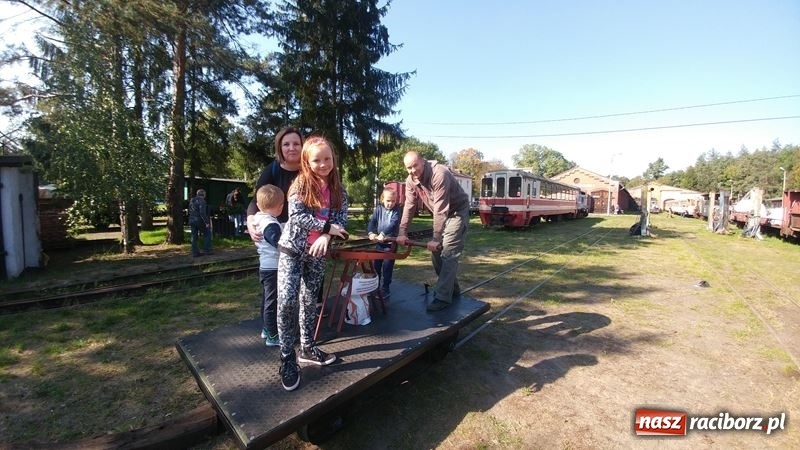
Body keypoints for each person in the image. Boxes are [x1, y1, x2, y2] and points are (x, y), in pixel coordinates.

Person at [276, 136, 348, 391]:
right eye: (316, 160)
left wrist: (327, 236)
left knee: (309, 301)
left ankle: (306, 347)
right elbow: (297, 217)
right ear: (307, 161)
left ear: (333, 159)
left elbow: (342, 221)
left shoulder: (339, 189)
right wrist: (328, 227)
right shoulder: (300, 186)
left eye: (327, 159)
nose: (323, 164)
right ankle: (286, 357)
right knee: (287, 301)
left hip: (317, 253)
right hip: (293, 251)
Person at [396, 151, 469, 312]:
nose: (413, 170)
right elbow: (409, 206)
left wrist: (436, 237)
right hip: (442, 214)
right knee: (436, 254)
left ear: (423, 161)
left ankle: (442, 297)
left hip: (456, 213)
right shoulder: (410, 181)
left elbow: (441, 209)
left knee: (448, 253)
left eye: (415, 165)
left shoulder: (439, 174)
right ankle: (453, 290)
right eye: (409, 168)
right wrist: (402, 232)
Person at [252, 184, 285, 347]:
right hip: (274, 267)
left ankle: (266, 328)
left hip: (265, 266)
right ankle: (272, 335)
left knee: (267, 299)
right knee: (273, 302)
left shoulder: (260, 217)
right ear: (280, 207)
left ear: (259, 205)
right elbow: (275, 238)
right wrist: (288, 248)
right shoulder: (270, 224)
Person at [367, 187, 401, 299]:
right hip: (380, 243)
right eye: (388, 200)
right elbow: (372, 222)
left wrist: (383, 233)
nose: (390, 203)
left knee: (387, 267)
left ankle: (386, 288)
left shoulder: (397, 210)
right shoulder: (378, 209)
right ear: (382, 199)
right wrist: (371, 232)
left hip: (390, 244)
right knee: (376, 266)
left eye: (393, 201)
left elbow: (393, 223)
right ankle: (375, 287)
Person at [188, 188, 212, 257]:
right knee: (207, 233)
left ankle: (195, 252)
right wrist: (207, 222)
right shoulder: (202, 201)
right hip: (199, 220)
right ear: (203, 194)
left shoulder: (192, 200)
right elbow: (202, 213)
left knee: (194, 236)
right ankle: (207, 250)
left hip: (191, 219)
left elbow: (190, 210)